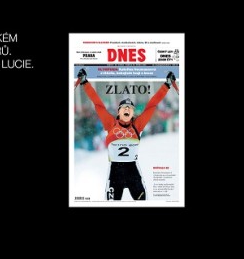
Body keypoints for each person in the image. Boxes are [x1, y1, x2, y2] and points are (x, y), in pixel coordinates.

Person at [76, 68, 177, 201]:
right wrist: (85, 83)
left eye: (130, 108)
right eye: (124, 107)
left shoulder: (137, 125)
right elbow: (98, 104)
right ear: (119, 112)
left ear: (132, 113)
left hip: (132, 172)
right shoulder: (111, 123)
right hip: (115, 173)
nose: (127, 109)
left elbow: (152, 105)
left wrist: (166, 85)